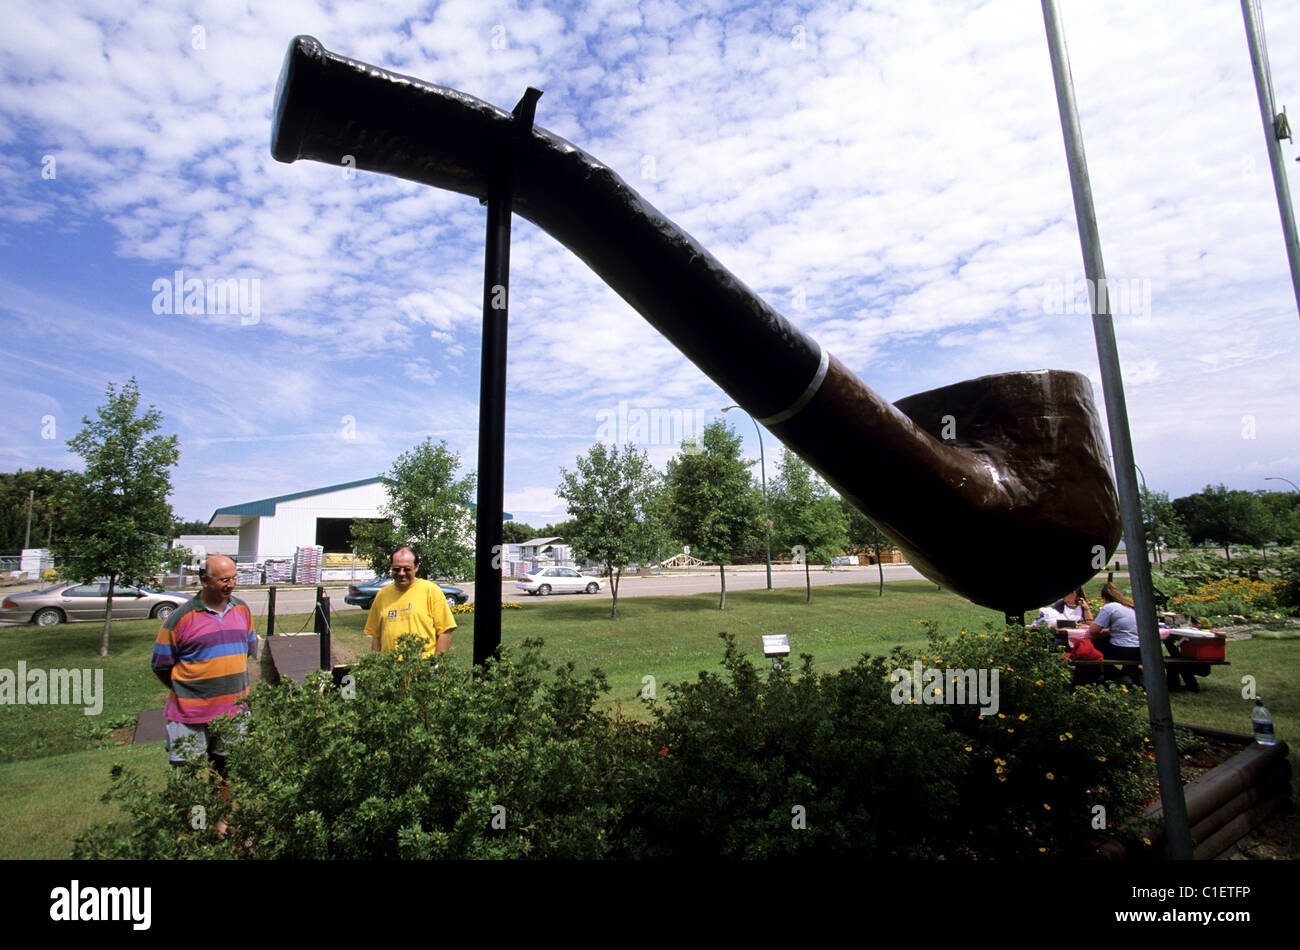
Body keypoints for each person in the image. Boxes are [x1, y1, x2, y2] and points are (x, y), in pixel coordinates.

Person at [151, 554, 257, 772]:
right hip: (190, 716)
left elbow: (247, 651)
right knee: (186, 780)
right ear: (205, 580)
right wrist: (187, 690)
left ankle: (221, 809)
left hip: (233, 713)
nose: (231, 585)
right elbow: (161, 665)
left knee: (226, 773)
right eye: (224, 580)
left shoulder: (242, 610)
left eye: (234, 578)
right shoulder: (180, 618)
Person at [364, 546, 456, 657]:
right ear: (391, 567)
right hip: (389, 669)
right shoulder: (382, 595)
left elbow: (445, 631)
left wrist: (436, 665)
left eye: (407, 569)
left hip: (422, 668)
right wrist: (375, 663)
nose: (401, 573)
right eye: (396, 569)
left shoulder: (431, 591)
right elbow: (376, 636)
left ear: (416, 567)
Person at [1083, 581, 1140, 680]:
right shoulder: (1129, 606)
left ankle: (1109, 675)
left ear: (1105, 598)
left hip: (1123, 649)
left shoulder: (1110, 607)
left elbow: (1093, 631)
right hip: (1138, 649)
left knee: (1096, 646)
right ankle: (1127, 674)